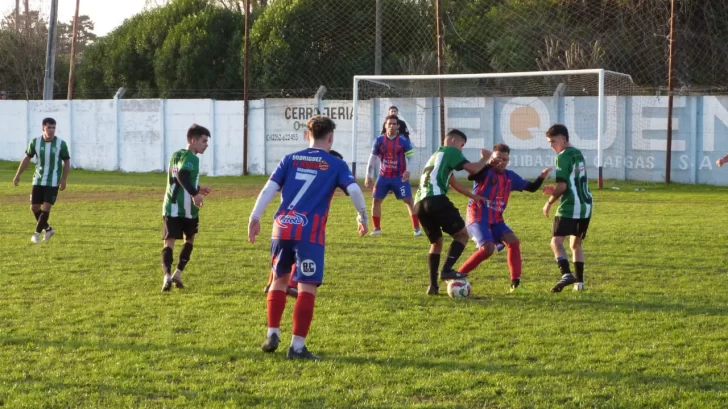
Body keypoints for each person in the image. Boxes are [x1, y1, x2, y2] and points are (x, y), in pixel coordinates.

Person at [248, 115, 368, 360]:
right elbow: (354, 189)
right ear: (331, 138)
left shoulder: (289, 159)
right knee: (306, 288)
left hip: (281, 228)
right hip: (309, 233)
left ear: (307, 135)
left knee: (278, 280)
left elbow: (269, 188)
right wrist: (363, 216)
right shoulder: (335, 164)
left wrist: (254, 217)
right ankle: (298, 347)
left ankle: (272, 332)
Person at [454, 143, 551, 292]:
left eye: (505, 159)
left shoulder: (510, 176)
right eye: (498, 158)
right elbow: (472, 176)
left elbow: (531, 188)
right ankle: (458, 275)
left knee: (513, 241)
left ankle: (516, 285)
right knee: (488, 249)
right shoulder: (485, 172)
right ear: (492, 158)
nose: (501, 162)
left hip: (496, 219)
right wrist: (486, 164)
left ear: (508, 160)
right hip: (478, 216)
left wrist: (541, 177)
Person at [261, 149, 348, 299]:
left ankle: (272, 284)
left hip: (285, 220)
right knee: (301, 250)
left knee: (282, 255)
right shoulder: (326, 174)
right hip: (307, 220)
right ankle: (292, 284)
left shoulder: (300, 166)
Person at [414, 129, 492, 295]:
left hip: (419, 204)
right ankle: (447, 270)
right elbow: (473, 169)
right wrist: (486, 158)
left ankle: (433, 286)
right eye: (461, 145)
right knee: (462, 235)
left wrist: (473, 196)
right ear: (453, 142)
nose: (461, 150)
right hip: (436, 199)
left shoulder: (436, 156)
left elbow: (453, 182)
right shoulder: (450, 151)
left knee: (436, 243)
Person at [160, 124, 212, 292]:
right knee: (188, 239)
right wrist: (194, 194)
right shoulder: (192, 157)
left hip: (170, 206)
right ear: (193, 140)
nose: (206, 145)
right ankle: (178, 273)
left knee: (169, 242)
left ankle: (168, 276)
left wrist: (197, 188)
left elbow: (178, 179)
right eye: (204, 141)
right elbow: (182, 175)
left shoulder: (176, 155)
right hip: (187, 209)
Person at [542, 124, 593, 292]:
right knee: (576, 244)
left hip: (570, 205)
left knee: (556, 242)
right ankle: (579, 283)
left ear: (564, 139)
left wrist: (549, 201)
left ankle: (566, 274)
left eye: (553, 141)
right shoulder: (578, 153)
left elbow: (563, 187)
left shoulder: (562, 157)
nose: (551, 146)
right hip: (586, 205)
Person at [13, 117, 70, 243]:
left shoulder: (61, 144)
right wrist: (18, 175)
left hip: (53, 181)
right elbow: (27, 159)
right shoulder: (35, 142)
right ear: (43, 128)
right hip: (38, 180)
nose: (51, 130)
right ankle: (48, 229)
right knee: (34, 207)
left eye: (53, 127)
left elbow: (66, 161)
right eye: (49, 127)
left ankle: (36, 234)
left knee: (46, 208)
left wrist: (64, 179)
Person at [365, 114, 421, 236]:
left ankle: (417, 229)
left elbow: (412, 158)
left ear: (398, 126)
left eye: (394, 124)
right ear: (385, 126)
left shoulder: (403, 141)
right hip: (383, 176)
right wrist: (368, 175)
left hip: (399, 177)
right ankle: (376, 229)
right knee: (376, 201)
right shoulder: (379, 140)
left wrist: (408, 171)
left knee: (409, 201)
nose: (391, 126)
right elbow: (373, 158)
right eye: (389, 123)